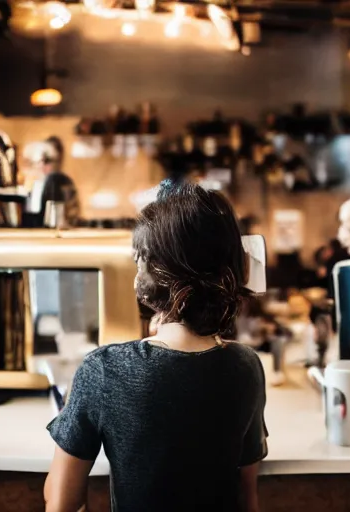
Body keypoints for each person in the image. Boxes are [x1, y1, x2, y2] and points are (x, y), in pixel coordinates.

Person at [44, 180, 268, 512]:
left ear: (152, 273)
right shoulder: (246, 367)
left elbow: (61, 501)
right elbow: (247, 496)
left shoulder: (104, 369)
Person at [27, 136, 81, 227]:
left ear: (58, 160)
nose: (42, 165)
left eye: (47, 160)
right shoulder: (36, 183)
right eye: (41, 160)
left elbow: (72, 214)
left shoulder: (62, 182)